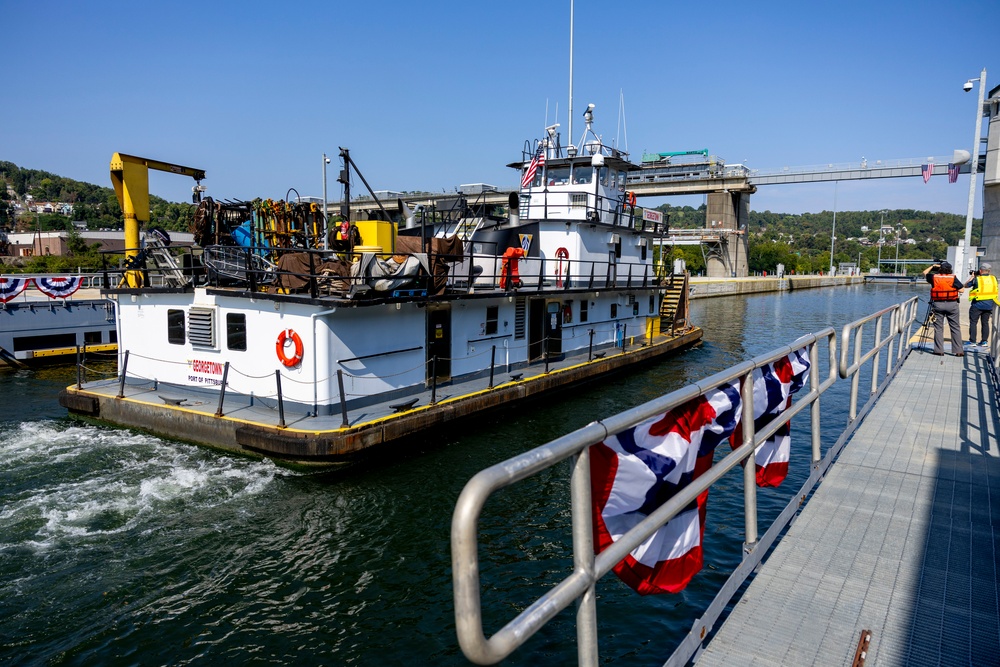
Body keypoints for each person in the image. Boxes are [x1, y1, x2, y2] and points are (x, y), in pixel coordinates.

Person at [922, 261, 964, 356]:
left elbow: (924, 272)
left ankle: (939, 351)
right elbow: (961, 289)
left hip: (938, 305)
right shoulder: (953, 278)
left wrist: (932, 266)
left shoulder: (934, 277)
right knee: (955, 327)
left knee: (938, 328)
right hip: (952, 305)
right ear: (950, 269)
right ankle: (959, 351)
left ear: (940, 269)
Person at [965, 262, 999, 346]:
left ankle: (972, 341)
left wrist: (972, 276)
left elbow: (965, 285)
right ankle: (984, 341)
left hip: (977, 304)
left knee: (973, 322)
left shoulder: (977, 279)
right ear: (989, 271)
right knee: (985, 323)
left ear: (980, 270)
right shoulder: (993, 278)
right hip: (989, 305)